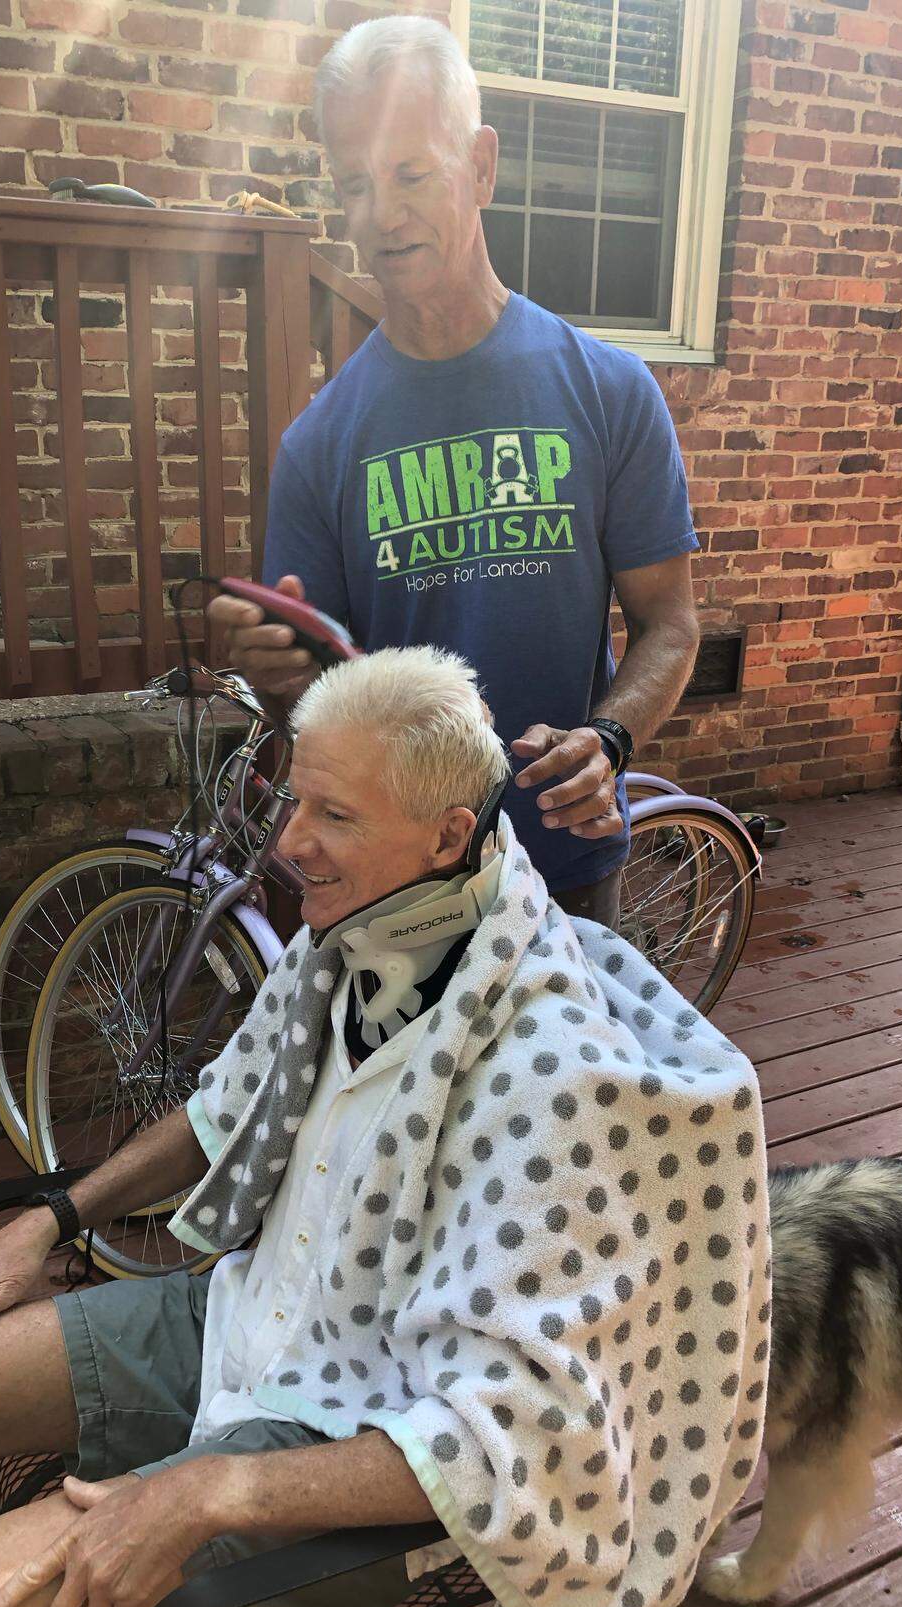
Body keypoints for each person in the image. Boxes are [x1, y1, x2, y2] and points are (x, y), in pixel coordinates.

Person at [0, 649, 768, 1607]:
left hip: (368, 1416)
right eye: (296, 798)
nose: (289, 842)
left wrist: (213, 1489)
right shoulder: (359, 934)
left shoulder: (548, 1071)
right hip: (257, 1313)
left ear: (447, 835)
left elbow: (506, 1437)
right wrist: (55, 1216)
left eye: (333, 813)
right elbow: (225, 1107)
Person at [209, 15, 701, 931]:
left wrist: (609, 738)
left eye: (411, 173)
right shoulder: (319, 444)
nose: (382, 214)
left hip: (563, 872)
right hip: (394, 894)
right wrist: (277, 675)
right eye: (356, 183)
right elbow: (315, 713)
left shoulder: (609, 391)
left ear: (480, 166)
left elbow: (669, 624)